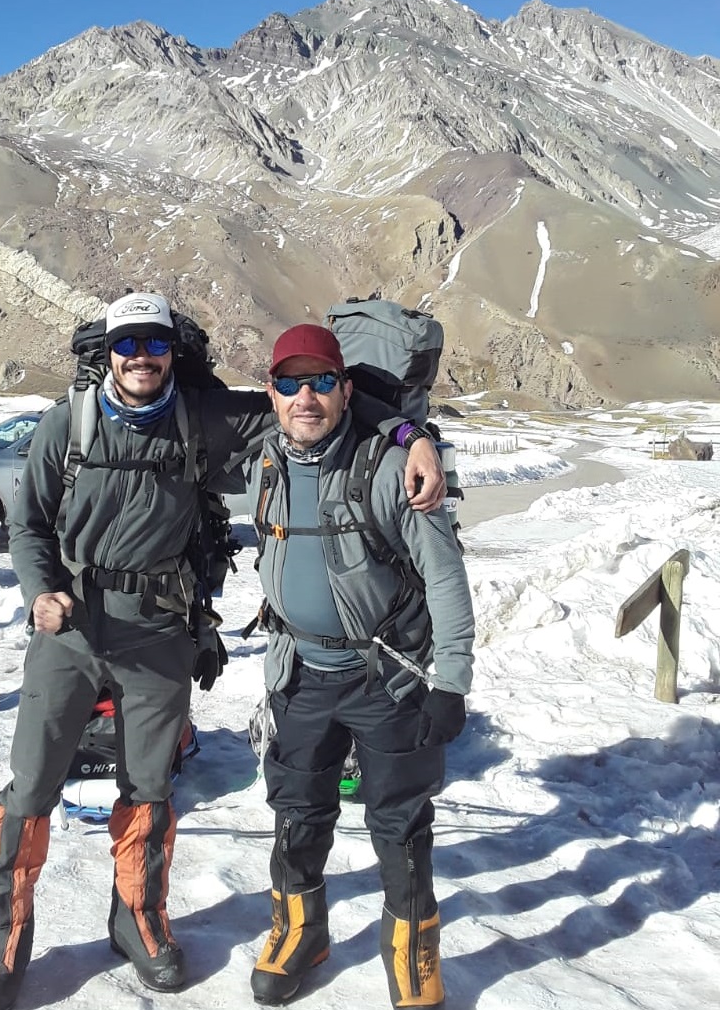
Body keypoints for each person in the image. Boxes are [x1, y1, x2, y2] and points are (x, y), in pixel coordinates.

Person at [0, 293, 446, 1010]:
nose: (139, 357)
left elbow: (315, 404)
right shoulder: (67, 423)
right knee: (32, 784)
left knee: (149, 786)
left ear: (171, 353)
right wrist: (39, 589)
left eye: (153, 344)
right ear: (107, 351)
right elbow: (28, 523)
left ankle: (137, 919)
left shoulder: (203, 415)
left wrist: (411, 433)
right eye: (125, 343)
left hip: (157, 630)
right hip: (68, 628)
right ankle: (0, 940)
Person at [244, 323, 474, 1008]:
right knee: (296, 811)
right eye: (289, 382)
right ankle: (299, 932)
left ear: (346, 390)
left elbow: (445, 577)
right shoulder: (264, 457)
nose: (304, 396)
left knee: (399, 822)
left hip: (384, 675)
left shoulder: (390, 466)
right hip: (298, 673)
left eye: (320, 381)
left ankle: (412, 953)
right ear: (271, 393)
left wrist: (451, 682)